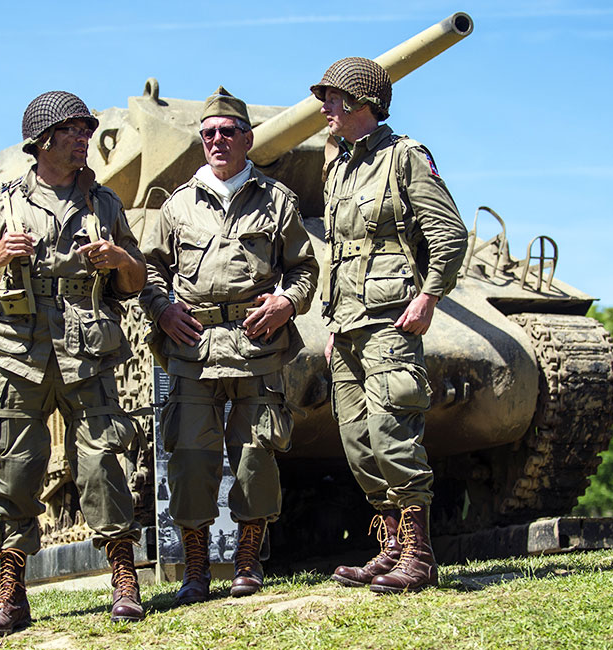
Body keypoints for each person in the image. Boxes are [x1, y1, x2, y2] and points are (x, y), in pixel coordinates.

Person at [0, 91, 148, 637]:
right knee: (13, 467)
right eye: (75, 130)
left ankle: (124, 580)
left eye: (86, 129)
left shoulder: (104, 204)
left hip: (88, 350)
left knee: (103, 461)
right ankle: (11, 594)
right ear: (45, 139)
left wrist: (120, 259)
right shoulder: (2, 200)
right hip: (20, 351)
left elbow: (134, 281)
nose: (85, 138)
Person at [140, 87, 318, 605]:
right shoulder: (176, 207)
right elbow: (152, 270)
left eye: (227, 132)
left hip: (256, 344)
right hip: (192, 348)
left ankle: (246, 563)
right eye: (208, 133)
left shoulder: (277, 200)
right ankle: (196, 569)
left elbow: (304, 269)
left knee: (255, 457)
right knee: (192, 462)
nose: (217, 141)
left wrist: (287, 302)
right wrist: (161, 308)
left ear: (247, 138)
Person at [310, 58, 467, 594]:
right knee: (358, 443)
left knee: (393, 433)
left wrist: (429, 297)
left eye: (331, 98)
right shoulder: (340, 167)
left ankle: (419, 557)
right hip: (347, 324)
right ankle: (393, 545)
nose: (323, 107)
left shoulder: (405, 158)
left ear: (357, 103)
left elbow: (449, 233)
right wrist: (331, 322)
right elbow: (340, 254)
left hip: (389, 319)